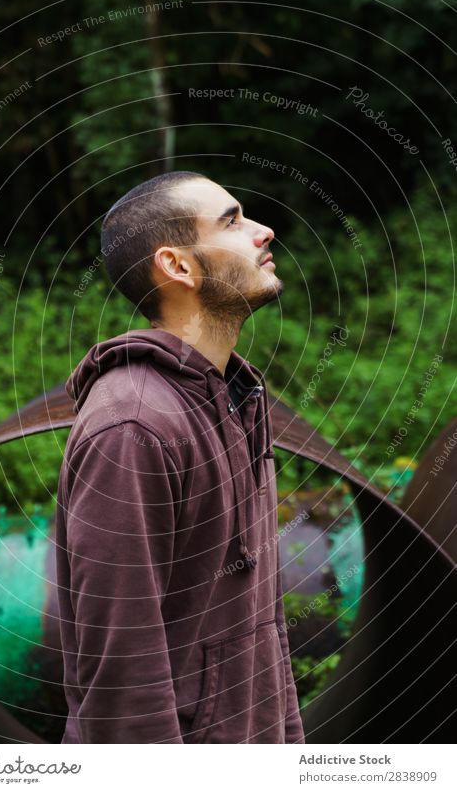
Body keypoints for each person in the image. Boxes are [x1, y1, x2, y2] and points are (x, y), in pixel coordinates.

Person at [56, 170, 305, 744]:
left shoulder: (238, 399)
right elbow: (123, 675)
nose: (263, 232)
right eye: (232, 221)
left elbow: (260, 624)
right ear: (178, 267)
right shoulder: (133, 425)